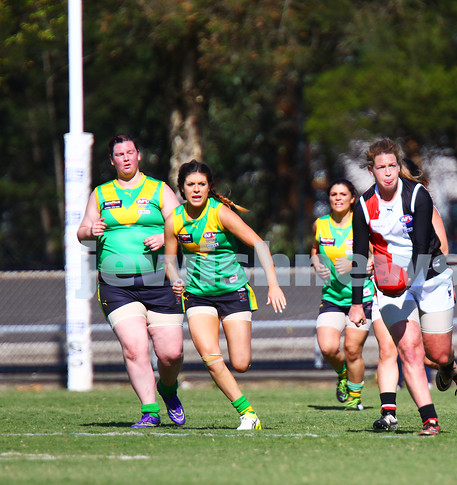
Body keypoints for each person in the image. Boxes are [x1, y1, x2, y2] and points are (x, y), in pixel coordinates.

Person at [349, 139, 457, 436]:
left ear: (399, 166)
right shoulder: (364, 206)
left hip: (429, 276)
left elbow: (421, 246)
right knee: (409, 350)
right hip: (390, 285)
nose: (388, 172)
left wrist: (405, 281)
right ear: (371, 170)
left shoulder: (418, 195)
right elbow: (358, 255)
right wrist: (356, 302)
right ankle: (430, 421)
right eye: (381, 167)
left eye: (392, 165)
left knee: (439, 354)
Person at [164, 160, 286, 430]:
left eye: (201, 184)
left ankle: (244, 409)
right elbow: (170, 260)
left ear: (209, 187)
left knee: (240, 363)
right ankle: (248, 414)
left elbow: (259, 244)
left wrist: (273, 283)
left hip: (233, 293)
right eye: (190, 185)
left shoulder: (220, 213)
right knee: (211, 357)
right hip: (198, 296)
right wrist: (175, 280)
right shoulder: (174, 220)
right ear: (181, 189)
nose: (196, 189)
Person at [77, 134, 185, 428]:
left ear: (138, 155)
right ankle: (150, 411)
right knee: (135, 348)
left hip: (160, 281)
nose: (125, 158)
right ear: (112, 161)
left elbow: (183, 224)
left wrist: (165, 236)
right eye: (118, 154)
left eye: (129, 152)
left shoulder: (158, 190)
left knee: (171, 354)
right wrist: (91, 230)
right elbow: (82, 230)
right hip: (116, 284)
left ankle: (168, 389)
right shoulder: (100, 193)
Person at [311, 178, 375, 410]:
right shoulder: (321, 223)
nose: (338, 198)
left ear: (352, 199)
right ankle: (343, 374)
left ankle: (354, 397)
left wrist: (360, 264)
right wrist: (315, 262)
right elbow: (315, 249)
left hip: (361, 298)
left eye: (342, 194)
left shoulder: (361, 223)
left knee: (351, 348)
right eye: (333, 194)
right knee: (327, 348)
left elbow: (377, 255)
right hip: (332, 297)